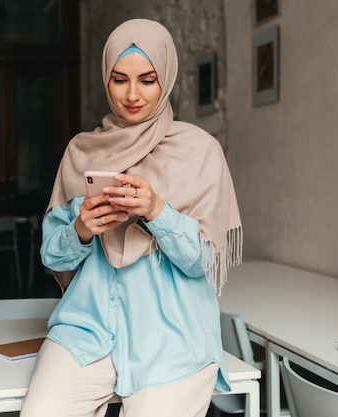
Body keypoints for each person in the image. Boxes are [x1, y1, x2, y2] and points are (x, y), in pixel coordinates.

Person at [20, 18, 242, 417]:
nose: (133, 94)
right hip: (86, 330)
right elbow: (52, 256)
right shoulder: (81, 151)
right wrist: (83, 229)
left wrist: (156, 211)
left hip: (173, 335)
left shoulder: (200, 151)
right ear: (106, 80)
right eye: (120, 80)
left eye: (148, 79)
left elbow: (204, 262)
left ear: (166, 79)